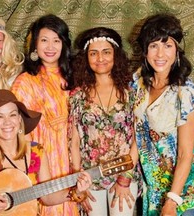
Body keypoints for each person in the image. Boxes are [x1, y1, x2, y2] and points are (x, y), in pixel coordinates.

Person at [68, 27, 142, 216]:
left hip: (124, 174)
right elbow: (74, 142)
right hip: (90, 176)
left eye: (106, 52)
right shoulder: (78, 95)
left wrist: (125, 177)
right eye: (94, 53)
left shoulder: (131, 92)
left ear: (116, 55)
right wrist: (79, 182)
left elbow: (138, 137)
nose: (100, 58)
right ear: (86, 58)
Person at [11, 14, 77, 215]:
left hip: (73, 158)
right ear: (35, 45)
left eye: (56, 40)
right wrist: (32, 166)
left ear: (64, 44)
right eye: (44, 40)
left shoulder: (74, 78)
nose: (50, 47)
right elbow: (19, 131)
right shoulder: (25, 81)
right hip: (44, 162)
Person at [132, 13, 194, 215]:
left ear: (177, 50)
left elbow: (186, 154)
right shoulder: (138, 83)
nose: (160, 54)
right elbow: (138, 134)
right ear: (145, 50)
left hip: (183, 194)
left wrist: (172, 200)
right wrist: (124, 175)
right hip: (153, 191)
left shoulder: (185, 93)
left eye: (167, 45)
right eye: (153, 45)